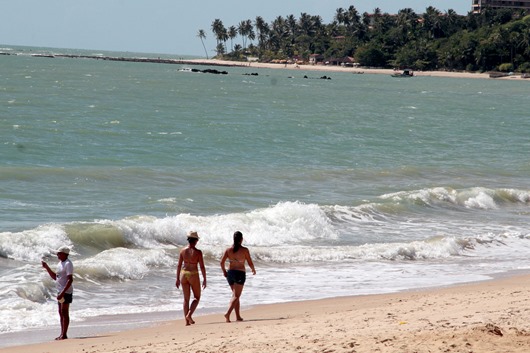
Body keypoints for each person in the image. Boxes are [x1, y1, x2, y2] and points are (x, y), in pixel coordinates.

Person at [220, 231, 256, 323]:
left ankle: (238, 316)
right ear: (241, 239)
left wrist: (224, 271)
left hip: (230, 273)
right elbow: (249, 261)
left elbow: (221, 262)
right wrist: (253, 269)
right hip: (239, 273)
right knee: (236, 295)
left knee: (235, 295)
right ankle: (227, 313)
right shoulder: (244, 250)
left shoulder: (228, 250)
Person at [41, 246, 74, 340]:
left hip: (66, 291)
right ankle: (62, 333)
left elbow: (70, 280)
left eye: (59, 253)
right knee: (60, 312)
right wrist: (46, 267)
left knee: (64, 312)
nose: (57, 254)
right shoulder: (60, 263)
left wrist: (63, 292)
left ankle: (64, 334)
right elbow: (56, 277)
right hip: (60, 291)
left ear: (64, 254)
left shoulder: (68, 264)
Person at [176, 231, 207, 326]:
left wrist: (177, 278)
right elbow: (202, 266)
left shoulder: (182, 251)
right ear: (196, 240)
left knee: (186, 299)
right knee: (197, 297)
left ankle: (186, 322)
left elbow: (179, 265)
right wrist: (205, 279)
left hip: (183, 274)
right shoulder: (198, 252)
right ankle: (189, 315)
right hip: (193, 274)